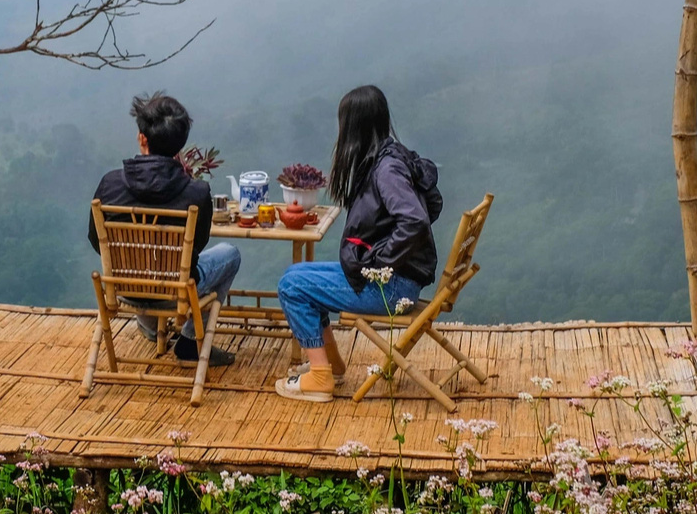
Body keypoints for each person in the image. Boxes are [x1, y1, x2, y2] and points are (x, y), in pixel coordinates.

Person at [273, 85, 443, 402]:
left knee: (292, 286)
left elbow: (415, 220)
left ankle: (320, 379)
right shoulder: (391, 157)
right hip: (399, 279)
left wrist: (378, 261)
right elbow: (430, 206)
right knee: (297, 274)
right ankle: (329, 366)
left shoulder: (386, 168)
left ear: (353, 126)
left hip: (391, 288)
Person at [88, 92, 242, 366]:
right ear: (180, 145)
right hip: (176, 291)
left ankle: (149, 327)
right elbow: (198, 245)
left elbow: (95, 240)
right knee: (229, 254)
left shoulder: (109, 185)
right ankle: (191, 341)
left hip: (124, 287)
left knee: (139, 261)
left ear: (142, 138)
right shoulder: (196, 191)